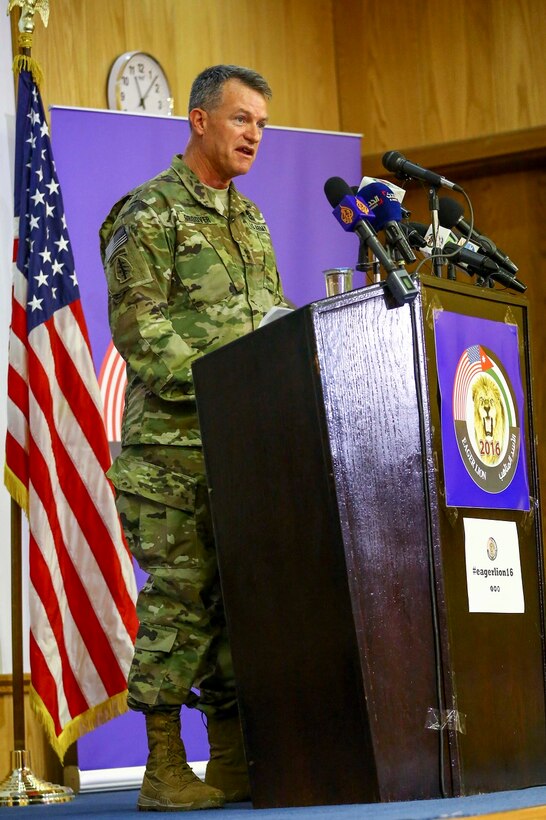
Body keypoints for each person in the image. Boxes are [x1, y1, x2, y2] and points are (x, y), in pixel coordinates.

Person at [99, 64, 290, 812]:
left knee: (242, 605)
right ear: (201, 121)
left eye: (264, 124)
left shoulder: (252, 221)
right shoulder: (147, 214)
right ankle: (163, 766)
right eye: (243, 120)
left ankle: (236, 759)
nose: (255, 135)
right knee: (181, 604)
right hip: (170, 455)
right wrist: (228, 384)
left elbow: (271, 319)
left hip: (243, 451)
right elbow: (140, 332)